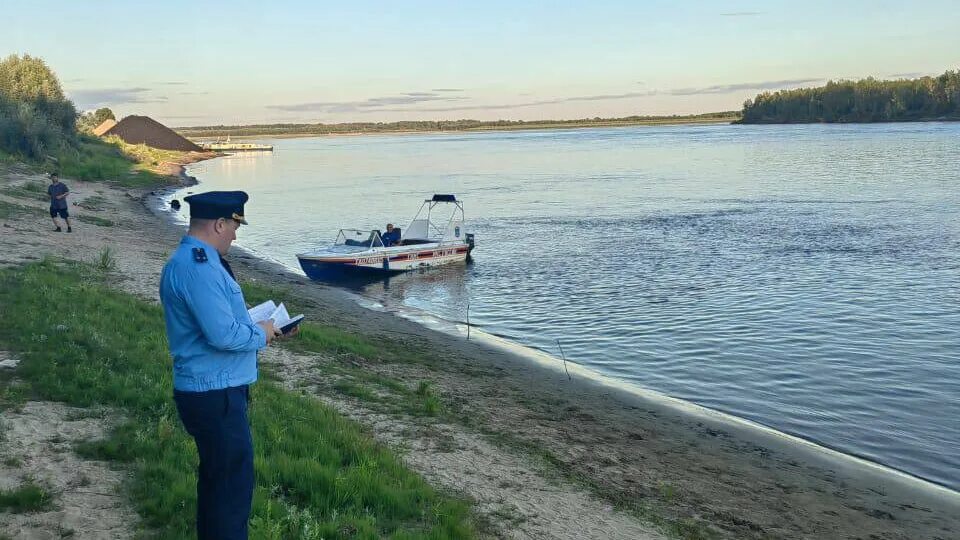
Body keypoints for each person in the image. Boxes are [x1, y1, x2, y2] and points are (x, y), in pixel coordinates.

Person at [159, 190, 289, 539]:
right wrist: (263, 333)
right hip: (214, 394)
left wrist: (258, 328)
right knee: (230, 489)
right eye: (234, 226)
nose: (235, 234)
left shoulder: (201, 261)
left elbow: (220, 322)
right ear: (218, 224)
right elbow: (222, 335)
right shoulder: (197, 267)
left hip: (215, 390)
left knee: (220, 483)